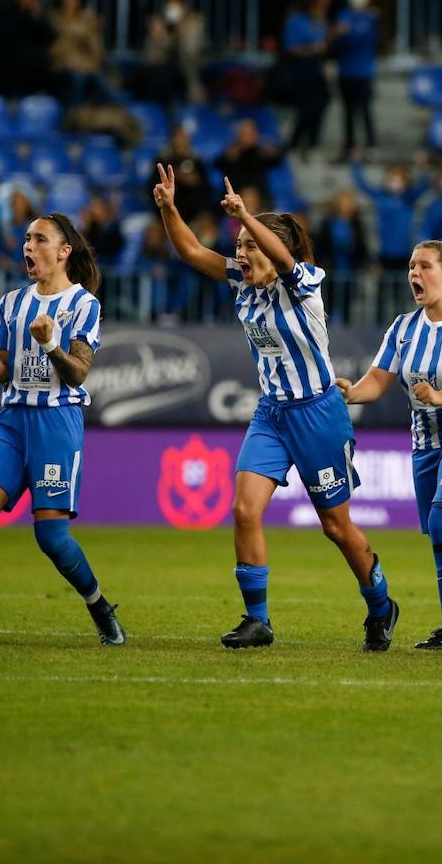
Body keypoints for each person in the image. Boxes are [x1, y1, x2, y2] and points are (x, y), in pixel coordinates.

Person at [153, 163, 400, 651]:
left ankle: (380, 603)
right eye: (240, 245)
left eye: (250, 245)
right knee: (244, 509)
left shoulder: (302, 283)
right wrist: (168, 208)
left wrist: (246, 214)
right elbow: (189, 250)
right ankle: (257, 619)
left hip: (319, 414)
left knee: (336, 526)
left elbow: (285, 261)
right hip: (272, 414)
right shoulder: (243, 283)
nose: (241, 254)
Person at [0, 213, 125, 646]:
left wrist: (49, 343)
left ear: (64, 251)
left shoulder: (84, 305)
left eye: (40, 239)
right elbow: (3, 371)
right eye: (26, 239)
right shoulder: (11, 303)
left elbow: (78, 372)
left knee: (51, 536)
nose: (29, 246)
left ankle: (100, 608)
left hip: (56, 424)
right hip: (12, 419)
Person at [337, 240, 442, 649]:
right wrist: (350, 392)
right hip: (424, 445)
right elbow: (378, 380)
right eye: (411, 266)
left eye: (425, 266)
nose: (415, 273)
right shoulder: (403, 328)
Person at [333, 0, 380, 161]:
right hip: (345, 71)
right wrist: (338, 35)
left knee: (364, 109)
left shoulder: (371, 16)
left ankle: (370, 145)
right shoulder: (343, 15)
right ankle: (349, 146)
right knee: (348, 111)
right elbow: (338, 43)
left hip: (363, 72)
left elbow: (365, 40)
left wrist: (346, 34)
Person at [282, 0, 333, 157]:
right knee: (305, 107)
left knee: (322, 102)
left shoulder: (321, 20)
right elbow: (290, 47)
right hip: (301, 69)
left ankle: (312, 142)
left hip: (317, 69)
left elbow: (325, 45)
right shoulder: (296, 20)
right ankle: (295, 143)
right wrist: (312, 50)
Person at [350, 161, 427, 269]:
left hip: (405, 251)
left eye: (399, 179)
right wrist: (355, 164)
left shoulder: (409, 198)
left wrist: (422, 166)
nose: (395, 182)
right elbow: (363, 185)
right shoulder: (381, 197)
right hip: (383, 250)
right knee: (384, 284)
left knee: (405, 283)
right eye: (392, 179)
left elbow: (425, 184)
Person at [50, 0, 109, 108]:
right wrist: (84, 31)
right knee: (77, 80)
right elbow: (57, 50)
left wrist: (91, 34)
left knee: (102, 83)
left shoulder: (88, 21)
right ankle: (73, 118)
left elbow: (97, 52)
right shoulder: (54, 20)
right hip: (64, 69)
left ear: (79, 1)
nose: (69, 2)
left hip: (87, 68)